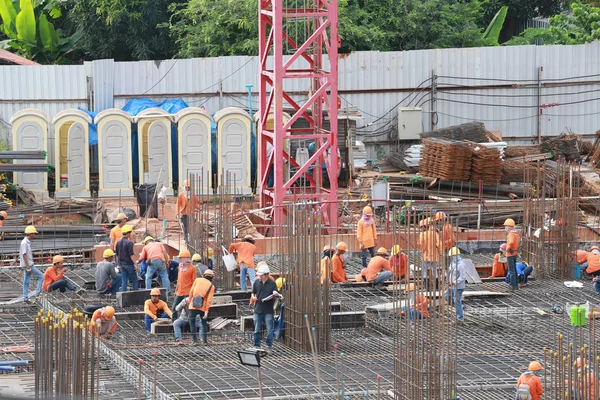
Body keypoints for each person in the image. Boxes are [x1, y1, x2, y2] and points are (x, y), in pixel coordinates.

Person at [251, 263, 279, 352]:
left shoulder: (272, 283)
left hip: (268, 310)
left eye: (261, 275)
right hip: (258, 309)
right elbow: (253, 292)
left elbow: (276, 294)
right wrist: (253, 297)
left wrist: (275, 294)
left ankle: (268, 346)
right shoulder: (256, 282)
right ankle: (256, 345)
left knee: (270, 329)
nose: (259, 276)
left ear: (266, 275)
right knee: (257, 329)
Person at [188, 269, 216, 345]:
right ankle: (204, 341)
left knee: (192, 323)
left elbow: (191, 291)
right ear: (212, 278)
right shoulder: (211, 286)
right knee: (204, 323)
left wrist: (190, 301)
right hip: (203, 307)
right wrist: (206, 312)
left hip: (193, 305)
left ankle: (194, 341)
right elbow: (209, 300)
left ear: (204, 275)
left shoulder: (197, 280)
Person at [172, 249, 196, 320]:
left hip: (187, 293)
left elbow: (194, 282)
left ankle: (188, 324)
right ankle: (174, 323)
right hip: (179, 292)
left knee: (187, 310)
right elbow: (179, 279)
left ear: (186, 258)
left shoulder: (192, 268)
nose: (180, 259)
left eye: (181, 258)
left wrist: (193, 293)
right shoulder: (180, 267)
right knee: (174, 308)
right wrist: (176, 290)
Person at [21, 225, 42, 303]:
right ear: (30, 233)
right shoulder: (24, 243)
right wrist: (28, 267)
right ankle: (38, 294)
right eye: (33, 233)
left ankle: (25, 299)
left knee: (26, 282)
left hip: (27, 264)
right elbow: (24, 255)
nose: (34, 235)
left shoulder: (27, 242)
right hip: (28, 265)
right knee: (41, 277)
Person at [115, 225, 138, 292]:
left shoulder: (118, 243)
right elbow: (131, 255)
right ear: (128, 233)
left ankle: (123, 294)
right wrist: (136, 264)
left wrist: (118, 265)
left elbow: (117, 255)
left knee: (124, 280)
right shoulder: (129, 243)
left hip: (121, 264)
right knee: (134, 279)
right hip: (129, 264)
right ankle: (136, 293)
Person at [446, 247, 466, 323]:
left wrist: (454, 282)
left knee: (456, 300)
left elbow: (462, 277)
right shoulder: (453, 263)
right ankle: (459, 308)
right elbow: (449, 272)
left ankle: (460, 317)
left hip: (458, 286)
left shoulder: (461, 265)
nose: (451, 257)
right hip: (451, 285)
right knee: (447, 297)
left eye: (452, 256)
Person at [503, 218, 520, 290]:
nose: (505, 228)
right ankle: (515, 285)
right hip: (514, 252)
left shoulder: (511, 234)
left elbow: (511, 242)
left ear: (509, 227)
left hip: (510, 254)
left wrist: (507, 248)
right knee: (514, 270)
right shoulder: (516, 233)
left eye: (505, 226)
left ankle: (513, 285)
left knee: (511, 270)